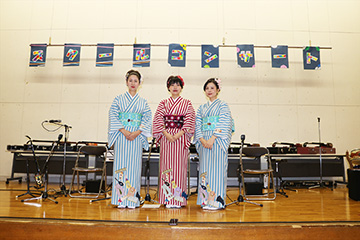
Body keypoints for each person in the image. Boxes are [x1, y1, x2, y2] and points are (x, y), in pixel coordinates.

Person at [108, 70, 152, 208]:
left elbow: (147, 118)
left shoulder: (143, 102)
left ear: (140, 83)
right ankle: (120, 199)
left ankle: (132, 199)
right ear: (126, 82)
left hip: (137, 137)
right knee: (121, 166)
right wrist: (124, 130)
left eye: (136, 81)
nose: (133, 83)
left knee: (134, 167)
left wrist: (138, 131)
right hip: (122, 136)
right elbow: (113, 115)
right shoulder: (118, 99)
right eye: (131, 80)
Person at [153, 75, 195, 208]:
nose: (175, 87)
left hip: (181, 138)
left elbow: (189, 120)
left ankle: (178, 199)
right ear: (168, 87)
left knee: (179, 168)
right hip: (166, 138)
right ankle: (167, 198)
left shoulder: (187, 103)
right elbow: (158, 120)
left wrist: (179, 134)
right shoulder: (162, 103)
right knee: (166, 168)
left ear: (181, 87)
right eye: (172, 85)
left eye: (177, 85)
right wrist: (166, 133)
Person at [193, 78, 234, 210]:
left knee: (217, 171)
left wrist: (212, 138)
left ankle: (216, 201)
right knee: (205, 172)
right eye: (207, 88)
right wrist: (202, 139)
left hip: (217, 141)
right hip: (204, 142)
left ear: (218, 90)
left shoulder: (223, 105)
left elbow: (225, 122)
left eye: (212, 88)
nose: (209, 91)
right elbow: (197, 125)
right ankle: (205, 200)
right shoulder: (201, 108)